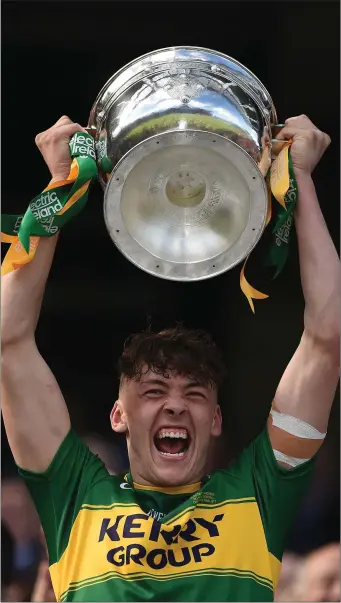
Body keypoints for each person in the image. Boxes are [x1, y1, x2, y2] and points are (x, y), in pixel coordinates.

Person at [1, 115, 339, 602]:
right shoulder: (73, 493)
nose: (176, 406)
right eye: (154, 392)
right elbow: (9, 341)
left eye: (195, 394)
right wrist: (61, 185)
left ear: (216, 418)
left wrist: (299, 180)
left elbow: (327, 337)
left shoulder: (259, 493)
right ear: (118, 415)